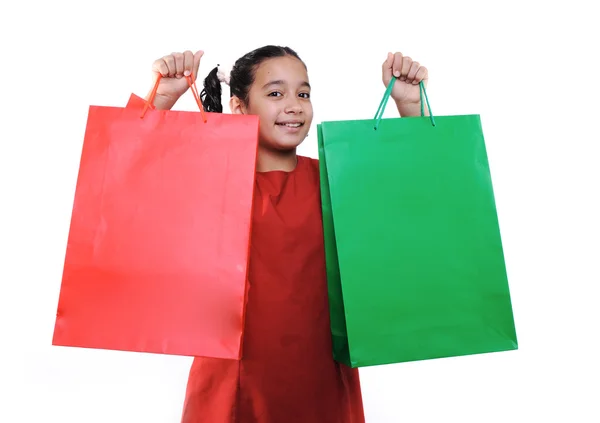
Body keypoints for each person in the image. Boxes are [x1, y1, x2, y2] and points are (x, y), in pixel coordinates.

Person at [146, 45, 429, 423]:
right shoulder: (213, 180)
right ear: (239, 107)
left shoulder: (337, 182)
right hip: (232, 382)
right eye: (276, 93)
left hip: (322, 380)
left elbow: (423, 199)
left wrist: (412, 107)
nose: (294, 105)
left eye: (304, 93)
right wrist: (160, 100)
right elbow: (129, 180)